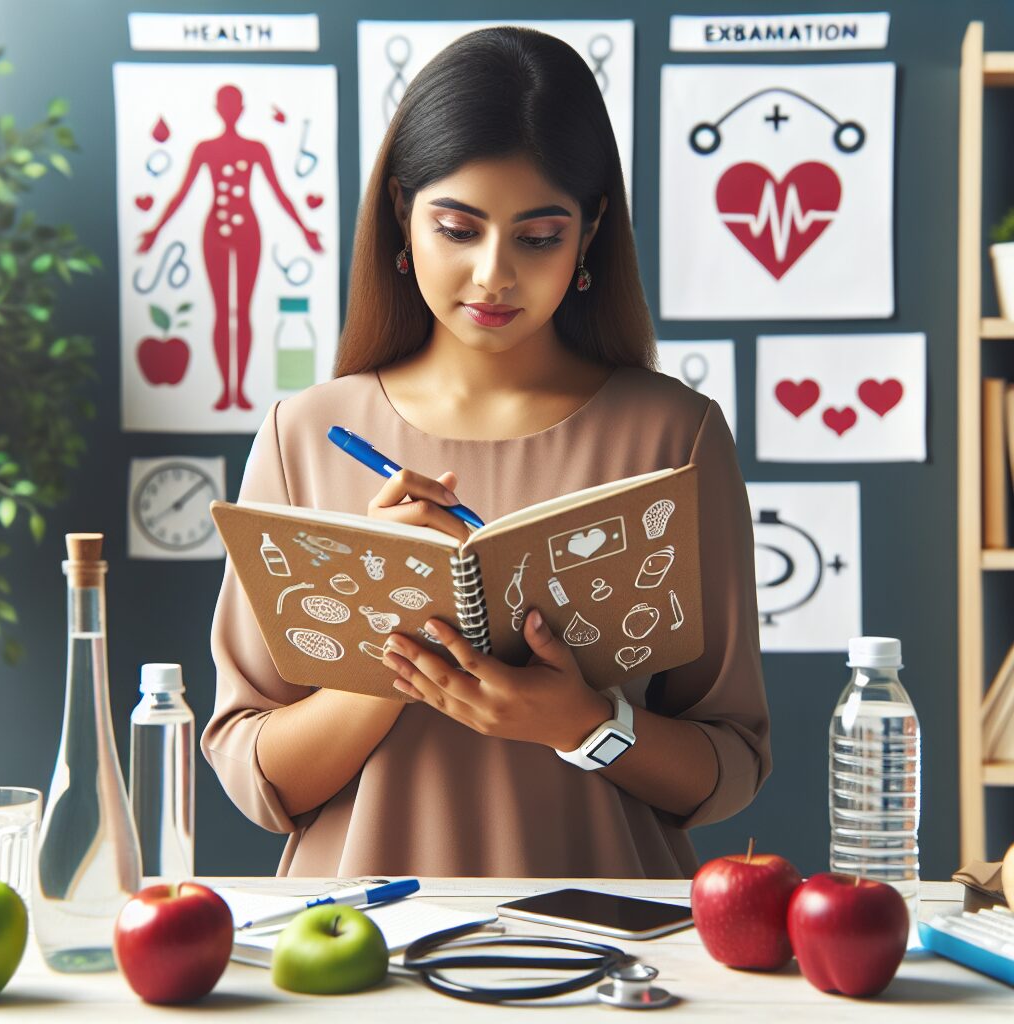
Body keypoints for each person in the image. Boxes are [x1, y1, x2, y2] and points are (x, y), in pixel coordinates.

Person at [203, 26, 771, 878]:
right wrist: (385, 653)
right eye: (457, 229)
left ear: (591, 232)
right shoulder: (303, 435)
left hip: (610, 945)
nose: (494, 276)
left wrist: (580, 723)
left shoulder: (676, 438)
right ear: (403, 212)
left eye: (538, 237)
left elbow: (728, 765)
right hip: (360, 951)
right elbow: (258, 777)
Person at [138, 84, 323, 411]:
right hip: (214, 234)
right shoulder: (204, 149)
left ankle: (241, 391)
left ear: (240, 109)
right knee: (223, 311)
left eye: (233, 104)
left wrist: (304, 229)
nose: (230, 110)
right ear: (219, 109)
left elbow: (280, 193)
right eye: (226, 104)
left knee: (244, 310)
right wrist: (155, 230)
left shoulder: (256, 149)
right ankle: (227, 390)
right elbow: (181, 194)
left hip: (249, 232)